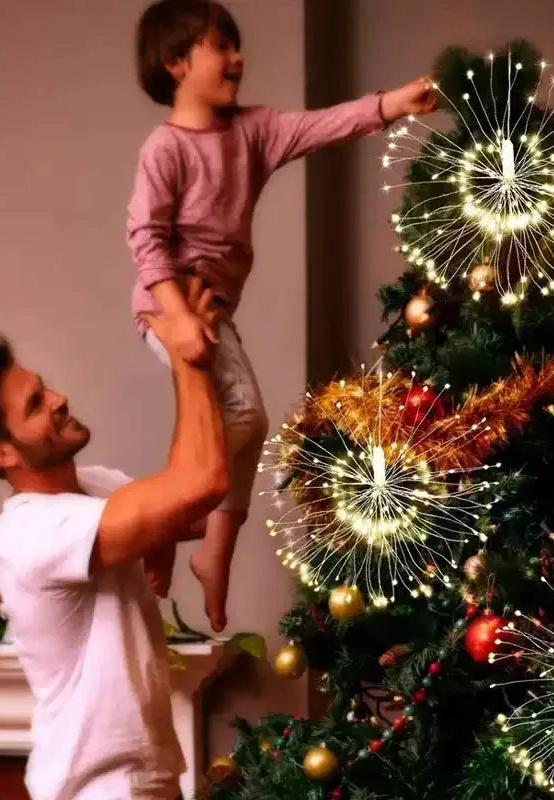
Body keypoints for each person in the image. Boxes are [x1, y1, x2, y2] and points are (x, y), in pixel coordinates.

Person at [128, 0, 439, 632]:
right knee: (242, 416)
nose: (238, 56)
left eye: (237, 45)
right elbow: (145, 236)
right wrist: (178, 317)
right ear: (176, 62)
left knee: (237, 432)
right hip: (171, 310)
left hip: (212, 311)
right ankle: (166, 519)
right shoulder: (165, 148)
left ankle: (211, 554)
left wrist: (395, 103)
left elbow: (325, 124)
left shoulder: (253, 131)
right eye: (221, 45)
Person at [0, 278, 226, 800]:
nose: (58, 398)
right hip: (99, 787)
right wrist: (188, 358)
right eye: (34, 404)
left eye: (44, 386)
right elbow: (201, 483)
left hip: (147, 774)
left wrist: (160, 534)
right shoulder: (27, 532)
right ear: (1, 454)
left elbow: (197, 508)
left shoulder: (97, 486)